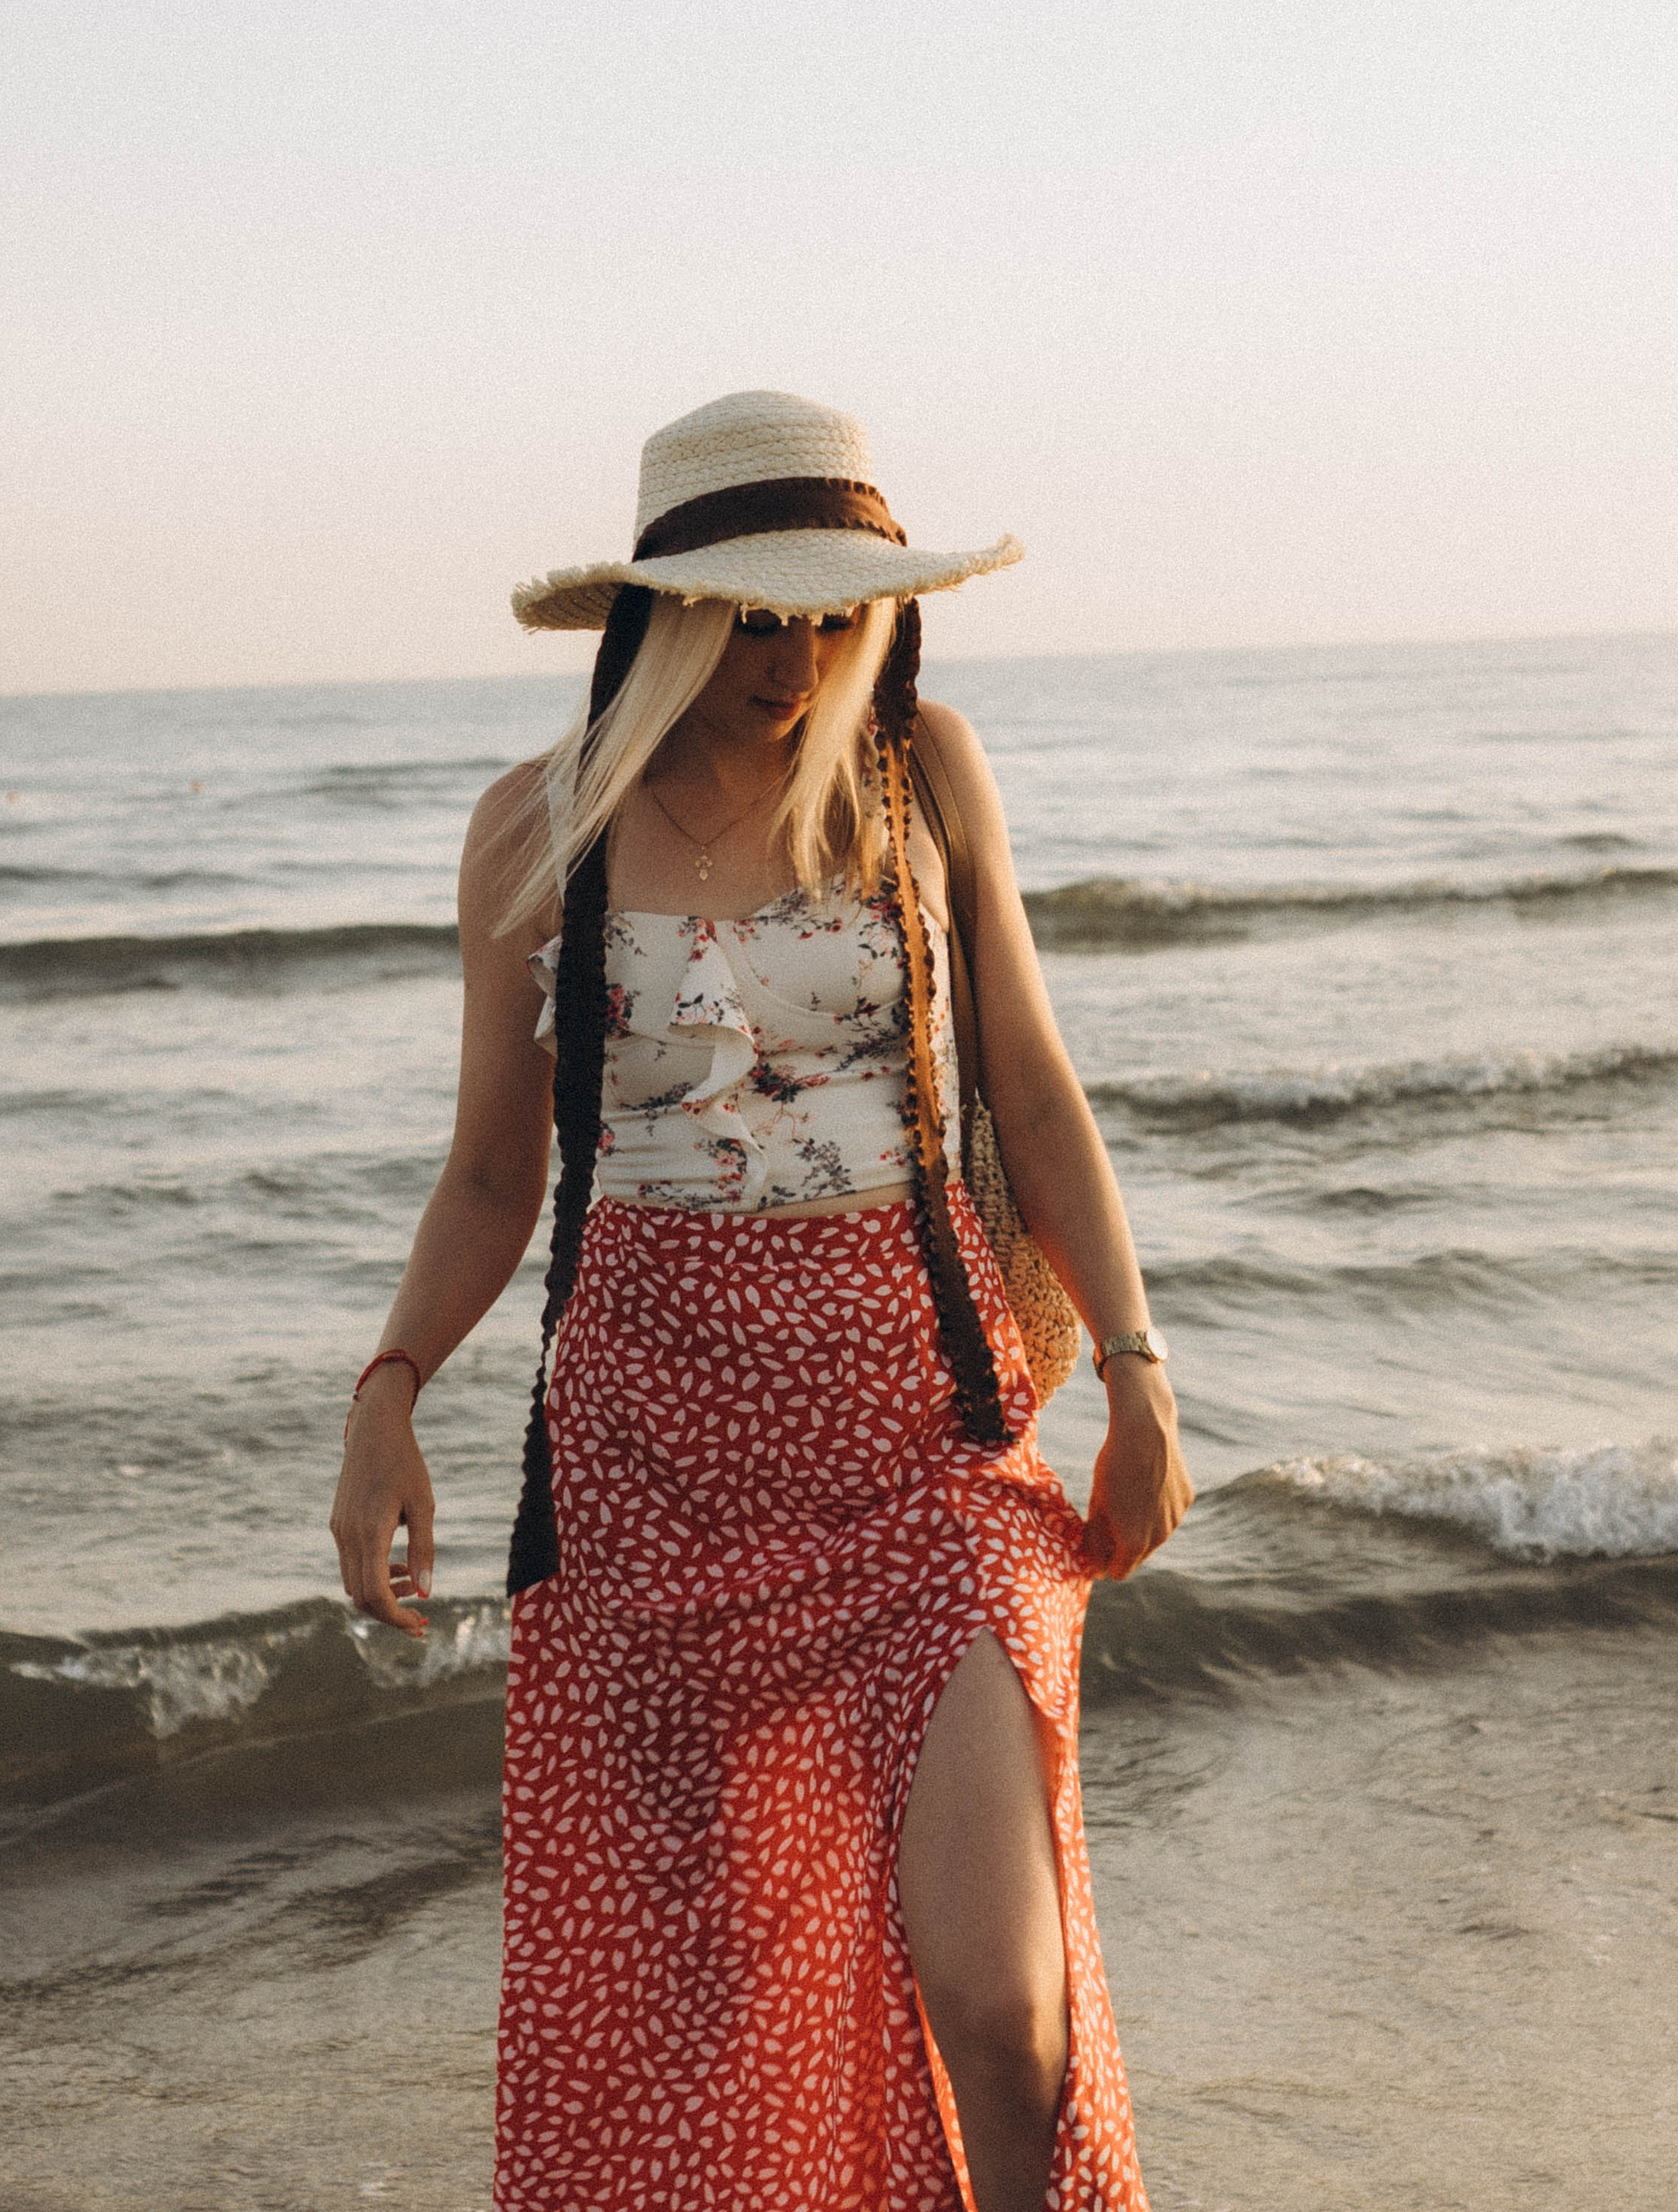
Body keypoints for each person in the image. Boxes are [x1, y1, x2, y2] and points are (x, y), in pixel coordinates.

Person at [331, 390, 1193, 2212]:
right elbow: (497, 1173)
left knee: (1002, 2004)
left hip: (924, 1449)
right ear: (661, 613)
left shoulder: (924, 774)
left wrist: (1133, 1370)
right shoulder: (534, 831)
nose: (796, 655)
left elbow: (1029, 1091)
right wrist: (389, 1391)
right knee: (695, 2031)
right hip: (651, 1468)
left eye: (831, 610)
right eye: (753, 611)